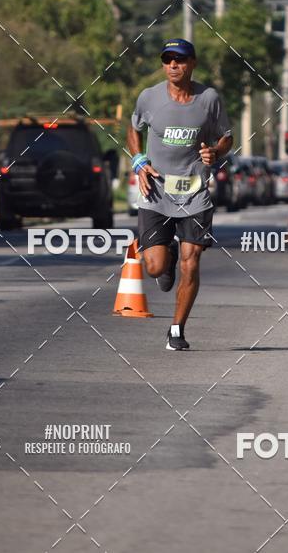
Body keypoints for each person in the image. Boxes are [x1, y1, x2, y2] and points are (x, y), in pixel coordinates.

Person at [127, 38, 233, 350]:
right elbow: (134, 128)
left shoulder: (209, 99)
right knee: (156, 267)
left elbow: (226, 137)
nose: (173, 65)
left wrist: (215, 151)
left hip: (194, 191)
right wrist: (139, 161)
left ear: (193, 63)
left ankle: (176, 329)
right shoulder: (149, 97)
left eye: (180, 59)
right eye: (168, 59)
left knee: (193, 262)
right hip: (156, 191)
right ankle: (166, 254)